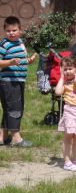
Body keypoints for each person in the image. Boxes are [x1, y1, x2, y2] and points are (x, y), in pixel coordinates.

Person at [0, 16, 36, 147]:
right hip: (8, 82)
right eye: (8, 30)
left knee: (9, 108)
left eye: (14, 30)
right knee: (15, 108)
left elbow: (21, 60)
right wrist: (9, 62)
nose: (11, 33)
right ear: (5, 31)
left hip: (19, 80)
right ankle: (16, 138)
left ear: (20, 30)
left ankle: (2, 138)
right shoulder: (4, 44)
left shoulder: (20, 42)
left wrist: (29, 61)